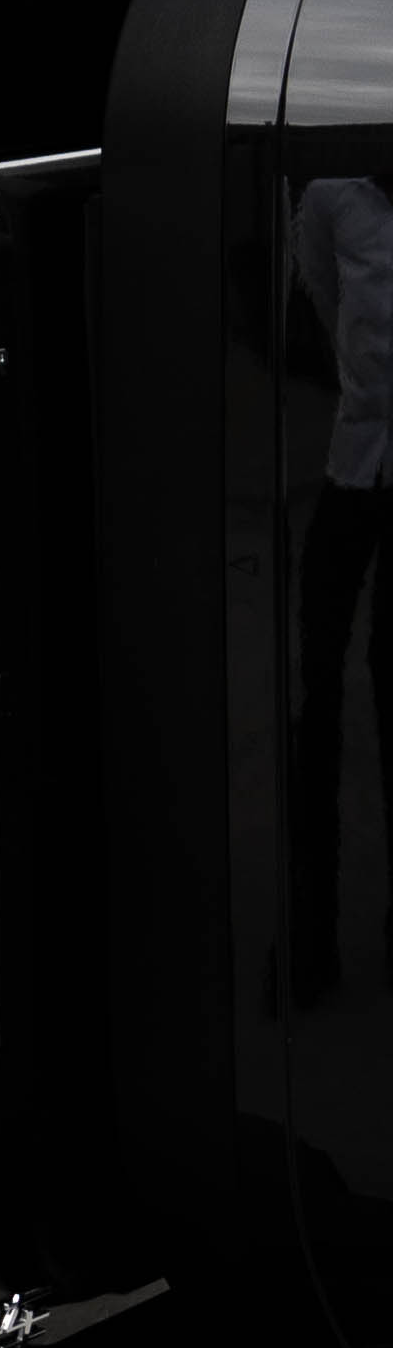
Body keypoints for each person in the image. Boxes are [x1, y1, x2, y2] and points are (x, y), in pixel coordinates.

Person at [289, 168, 393, 1002]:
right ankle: (312, 937)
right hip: (352, 465)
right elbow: (322, 294)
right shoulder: (332, 197)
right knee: (313, 686)